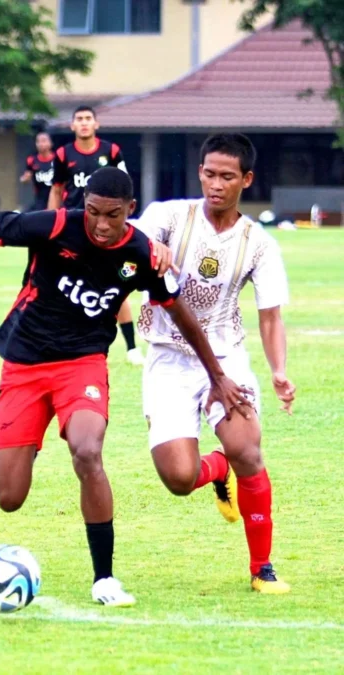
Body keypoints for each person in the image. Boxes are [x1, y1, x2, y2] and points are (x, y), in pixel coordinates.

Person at [0, 167, 251, 605]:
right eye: (93, 212)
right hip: (23, 365)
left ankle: (105, 579)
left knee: (87, 449)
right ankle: (29, 437)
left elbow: (181, 314)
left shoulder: (141, 253)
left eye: (112, 215)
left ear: (129, 211)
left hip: (82, 365)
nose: (100, 224)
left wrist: (218, 376)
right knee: (9, 497)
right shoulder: (58, 224)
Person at [134, 134, 295, 594]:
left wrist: (279, 370)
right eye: (209, 174)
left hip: (226, 358)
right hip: (168, 357)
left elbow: (271, 316)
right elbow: (127, 254)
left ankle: (262, 567)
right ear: (199, 172)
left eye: (227, 176)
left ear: (246, 179)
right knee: (180, 479)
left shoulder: (258, 244)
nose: (216, 184)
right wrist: (145, 256)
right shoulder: (168, 216)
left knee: (247, 448)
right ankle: (215, 469)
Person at [48, 105, 143, 366]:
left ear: (96, 124)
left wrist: (125, 220)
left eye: (88, 119)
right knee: (66, 284)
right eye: (79, 119)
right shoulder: (63, 154)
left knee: (116, 285)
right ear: (72, 126)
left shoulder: (111, 151)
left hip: (106, 230)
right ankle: (65, 341)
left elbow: (125, 188)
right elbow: (57, 190)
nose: (84, 123)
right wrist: (49, 223)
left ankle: (132, 347)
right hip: (75, 229)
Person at [20, 132, 55, 212]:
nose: (41, 144)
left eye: (43, 141)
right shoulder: (32, 160)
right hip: (40, 200)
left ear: (50, 143)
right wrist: (24, 179)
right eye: (38, 141)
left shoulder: (57, 160)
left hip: (56, 198)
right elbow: (26, 176)